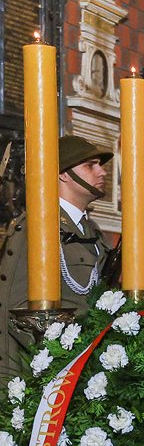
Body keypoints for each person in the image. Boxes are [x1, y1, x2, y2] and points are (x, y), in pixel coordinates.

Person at [0, 136, 113, 373]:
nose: (102, 172)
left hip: (82, 364)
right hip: (43, 370)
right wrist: (60, 353)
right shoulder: (37, 227)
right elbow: (13, 304)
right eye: (90, 165)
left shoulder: (91, 230)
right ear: (63, 174)